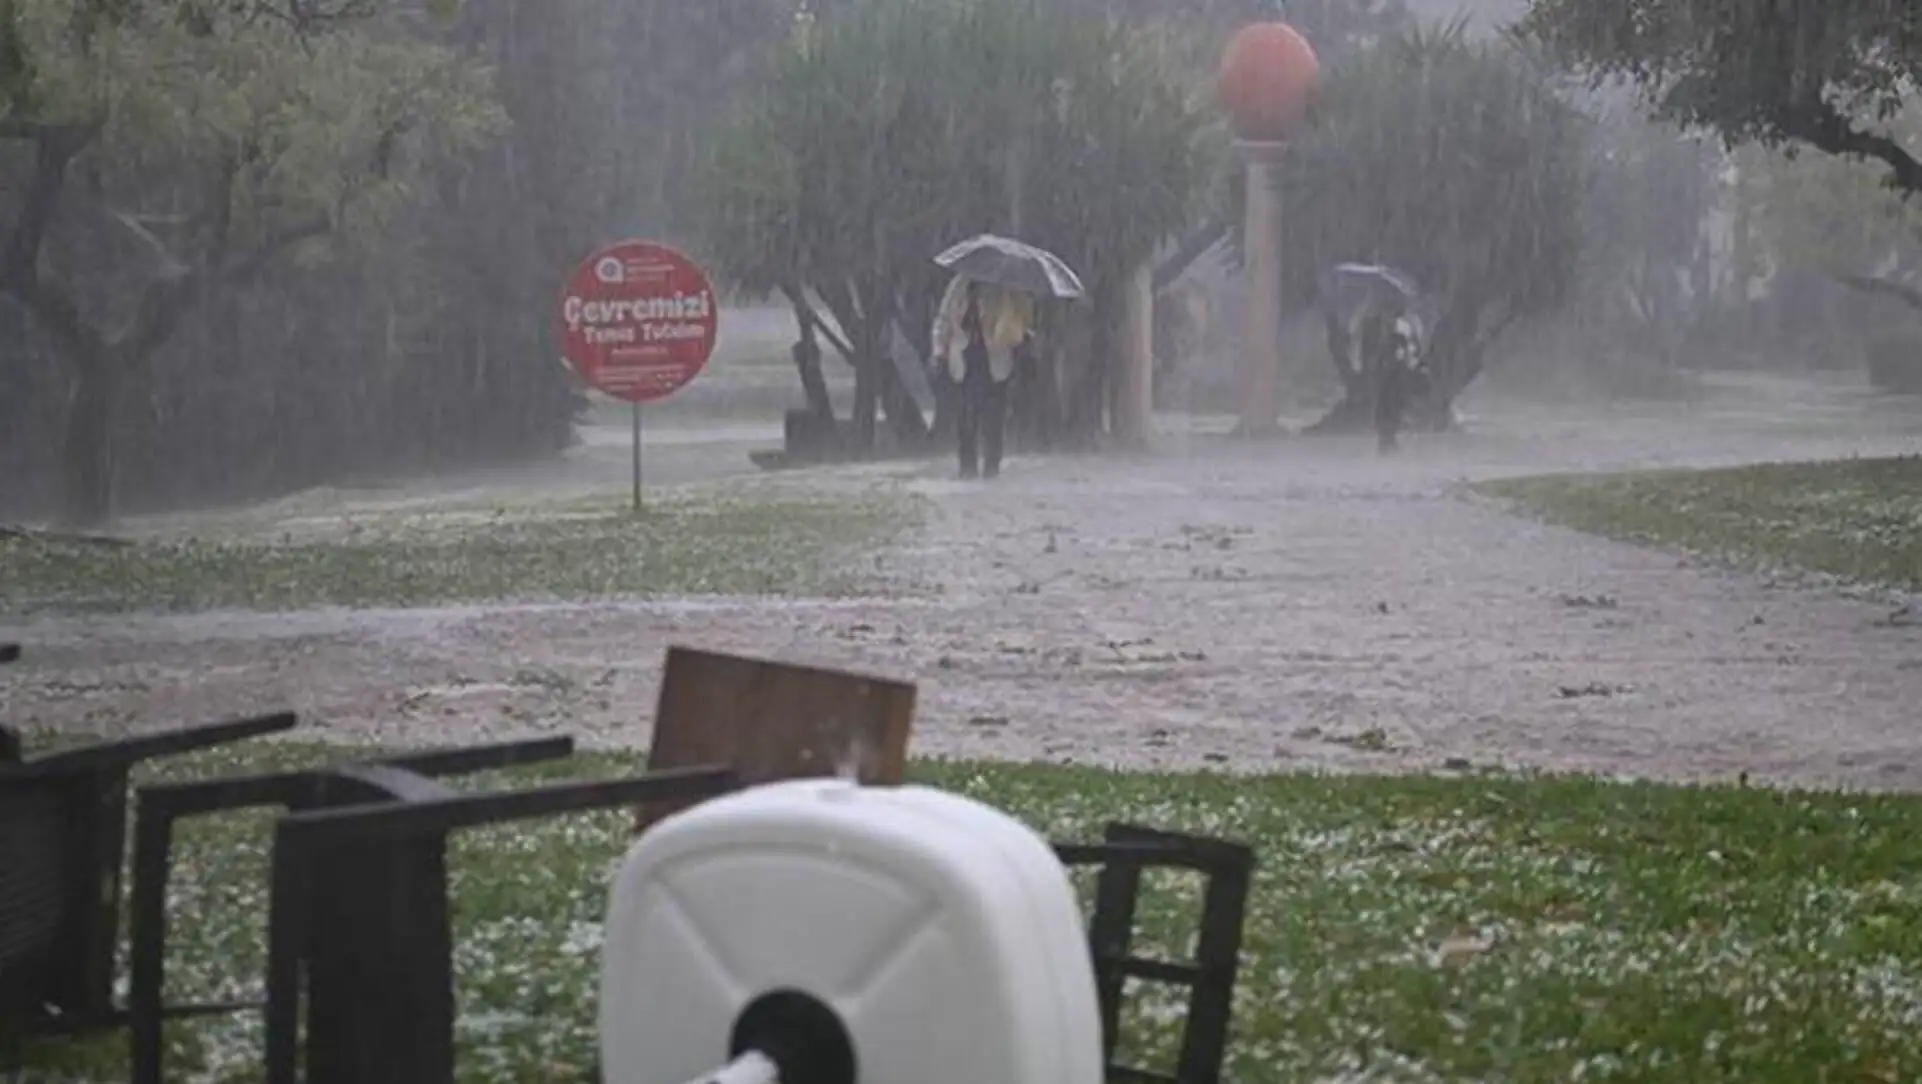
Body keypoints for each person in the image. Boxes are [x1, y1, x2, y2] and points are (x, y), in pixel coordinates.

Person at [931, 274, 1033, 479]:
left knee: (994, 417)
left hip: (995, 360)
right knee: (965, 416)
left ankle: (991, 466)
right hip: (965, 359)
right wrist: (939, 348)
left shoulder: (1006, 288)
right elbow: (944, 319)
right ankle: (967, 467)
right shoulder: (959, 285)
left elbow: (1020, 321)